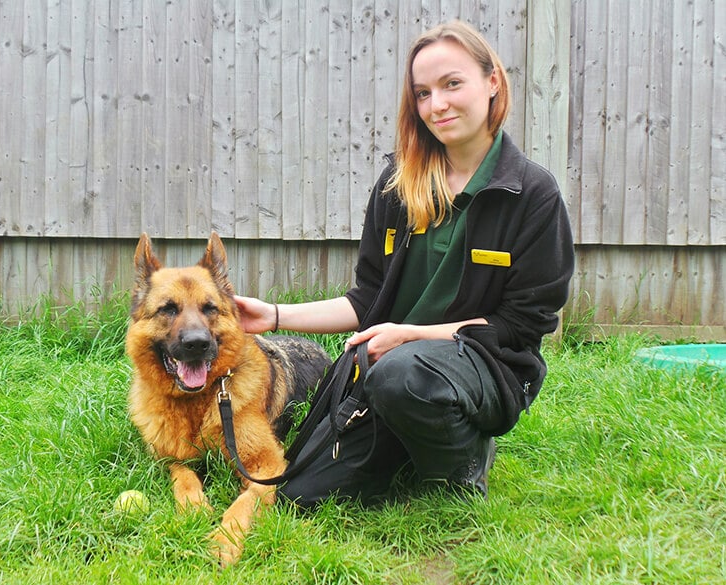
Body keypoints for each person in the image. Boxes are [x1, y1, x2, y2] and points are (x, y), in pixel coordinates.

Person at [235, 20, 574, 505]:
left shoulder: (532, 195)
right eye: (422, 93)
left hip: (485, 368)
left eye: (452, 84)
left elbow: (519, 328)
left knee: (404, 374)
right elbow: (367, 299)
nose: (437, 105)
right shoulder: (399, 182)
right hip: (386, 370)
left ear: (492, 81)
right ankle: (406, 436)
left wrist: (410, 335)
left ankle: (466, 460)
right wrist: (274, 315)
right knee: (301, 495)